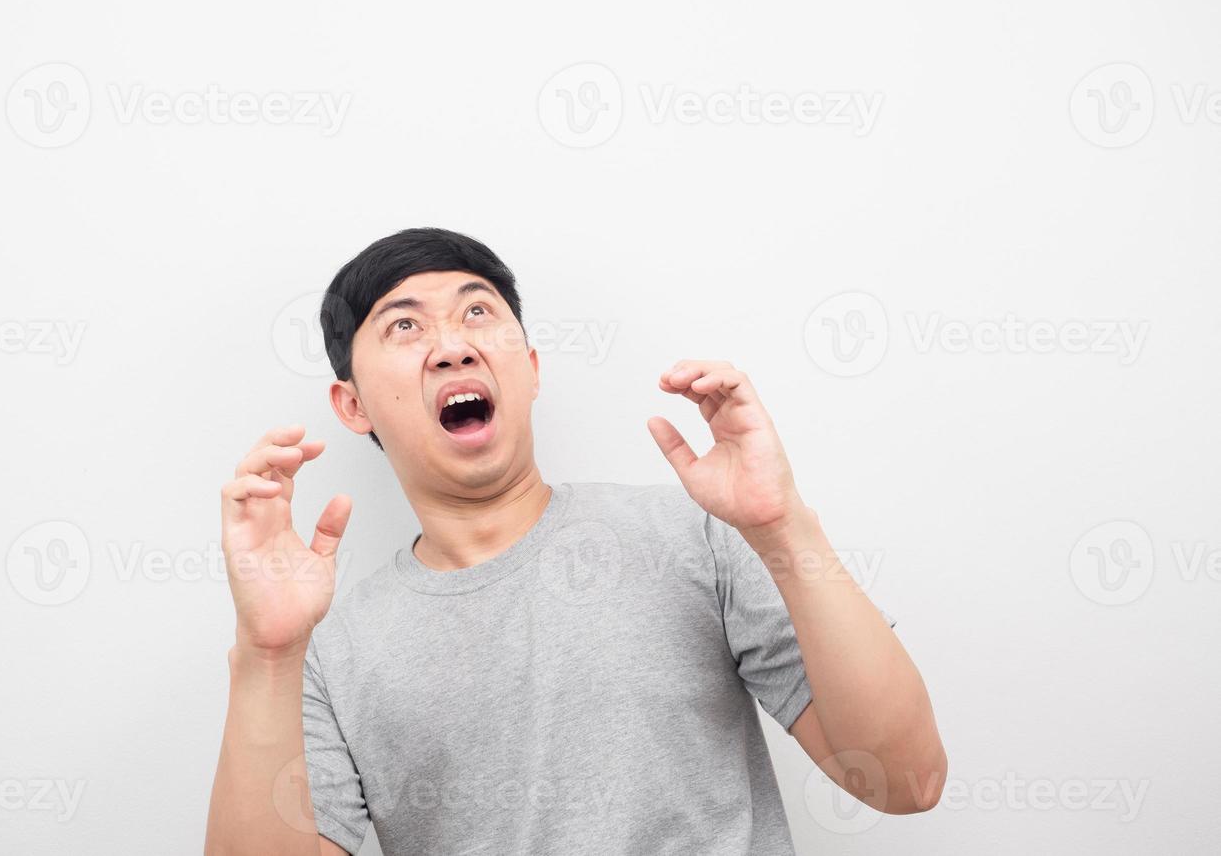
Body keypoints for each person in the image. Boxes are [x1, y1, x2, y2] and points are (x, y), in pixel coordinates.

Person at [205, 227, 947, 855]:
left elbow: (905, 780)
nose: (451, 347)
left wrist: (783, 526)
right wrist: (266, 655)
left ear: (528, 372)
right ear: (353, 404)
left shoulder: (691, 535)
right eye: (404, 325)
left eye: (477, 312)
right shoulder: (327, 653)